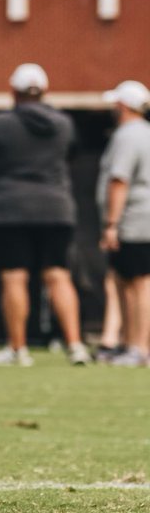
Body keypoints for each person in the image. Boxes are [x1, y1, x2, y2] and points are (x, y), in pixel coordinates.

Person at [0, 63, 90, 366]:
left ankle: (18, 350)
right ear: (44, 91)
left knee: (14, 277)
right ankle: (76, 346)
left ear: (13, 92)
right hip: (56, 208)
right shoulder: (64, 124)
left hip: (8, 209)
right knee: (58, 275)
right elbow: (72, 154)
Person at [96, 80, 150, 366]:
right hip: (142, 219)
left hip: (135, 221)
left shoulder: (128, 135)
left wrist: (112, 223)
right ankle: (132, 344)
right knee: (125, 281)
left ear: (124, 105)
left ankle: (138, 347)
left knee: (137, 284)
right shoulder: (144, 133)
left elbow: (120, 181)